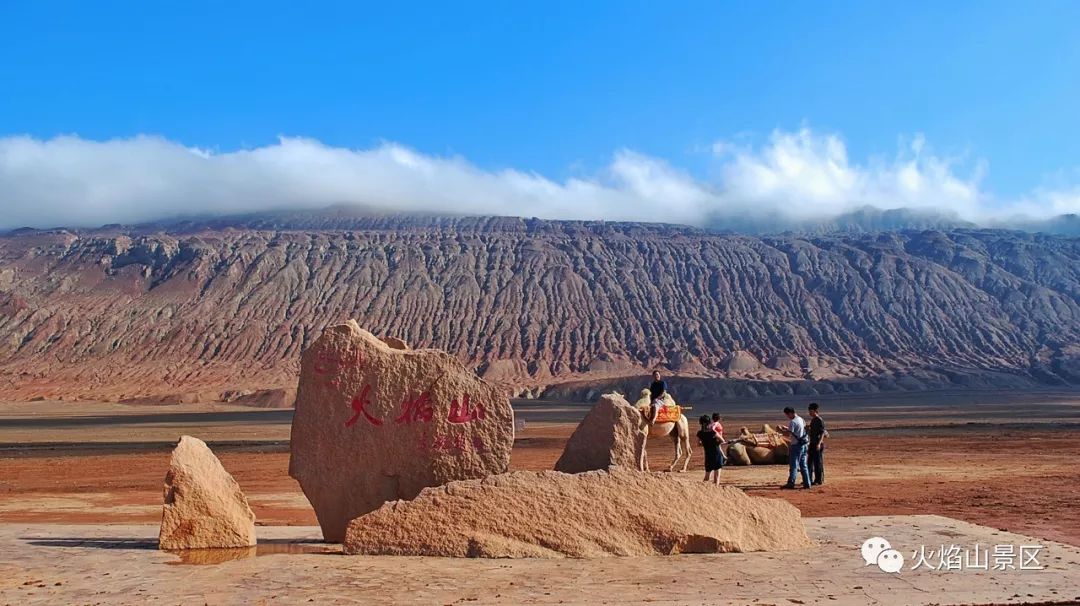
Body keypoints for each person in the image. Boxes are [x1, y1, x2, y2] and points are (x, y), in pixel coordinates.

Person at [776, 406, 811, 489]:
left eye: (787, 415)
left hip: (796, 446)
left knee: (794, 465)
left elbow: (789, 434)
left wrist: (780, 431)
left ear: (790, 413)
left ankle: (791, 483)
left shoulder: (793, 422)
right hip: (804, 445)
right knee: (803, 465)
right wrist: (786, 428)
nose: (787, 417)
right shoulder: (801, 419)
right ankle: (807, 483)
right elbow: (800, 430)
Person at [696, 415, 723, 484]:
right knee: (716, 478)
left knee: (707, 476)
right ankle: (716, 491)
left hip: (708, 455)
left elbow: (698, 444)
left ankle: (703, 490)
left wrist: (706, 444)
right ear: (709, 422)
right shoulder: (713, 432)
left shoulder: (700, 433)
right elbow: (722, 440)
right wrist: (715, 443)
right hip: (716, 454)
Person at [807, 402, 828, 485]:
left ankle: (818, 480)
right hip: (812, 443)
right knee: (810, 462)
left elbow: (822, 433)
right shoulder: (813, 420)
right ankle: (809, 478)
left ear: (815, 411)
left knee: (817, 462)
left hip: (817, 444)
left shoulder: (819, 420)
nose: (809, 413)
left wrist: (819, 444)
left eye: (811, 411)